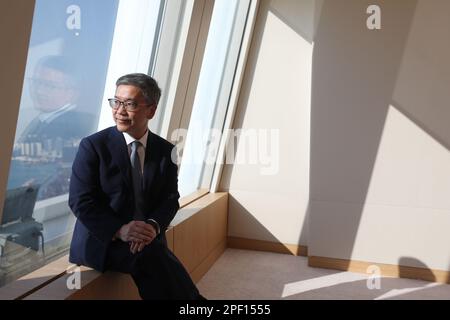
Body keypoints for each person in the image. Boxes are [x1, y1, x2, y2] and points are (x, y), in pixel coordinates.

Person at [68, 73, 204, 300]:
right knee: (153, 258)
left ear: (151, 110)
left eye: (129, 104)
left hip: (146, 240)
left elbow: (170, 198)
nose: (119, 110)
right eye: (116, 102)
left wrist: (152, 226)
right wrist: (121, 231)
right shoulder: (93, 146)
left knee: (152, 256)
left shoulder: (166, 150)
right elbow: (80, 201)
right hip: (105, 241)